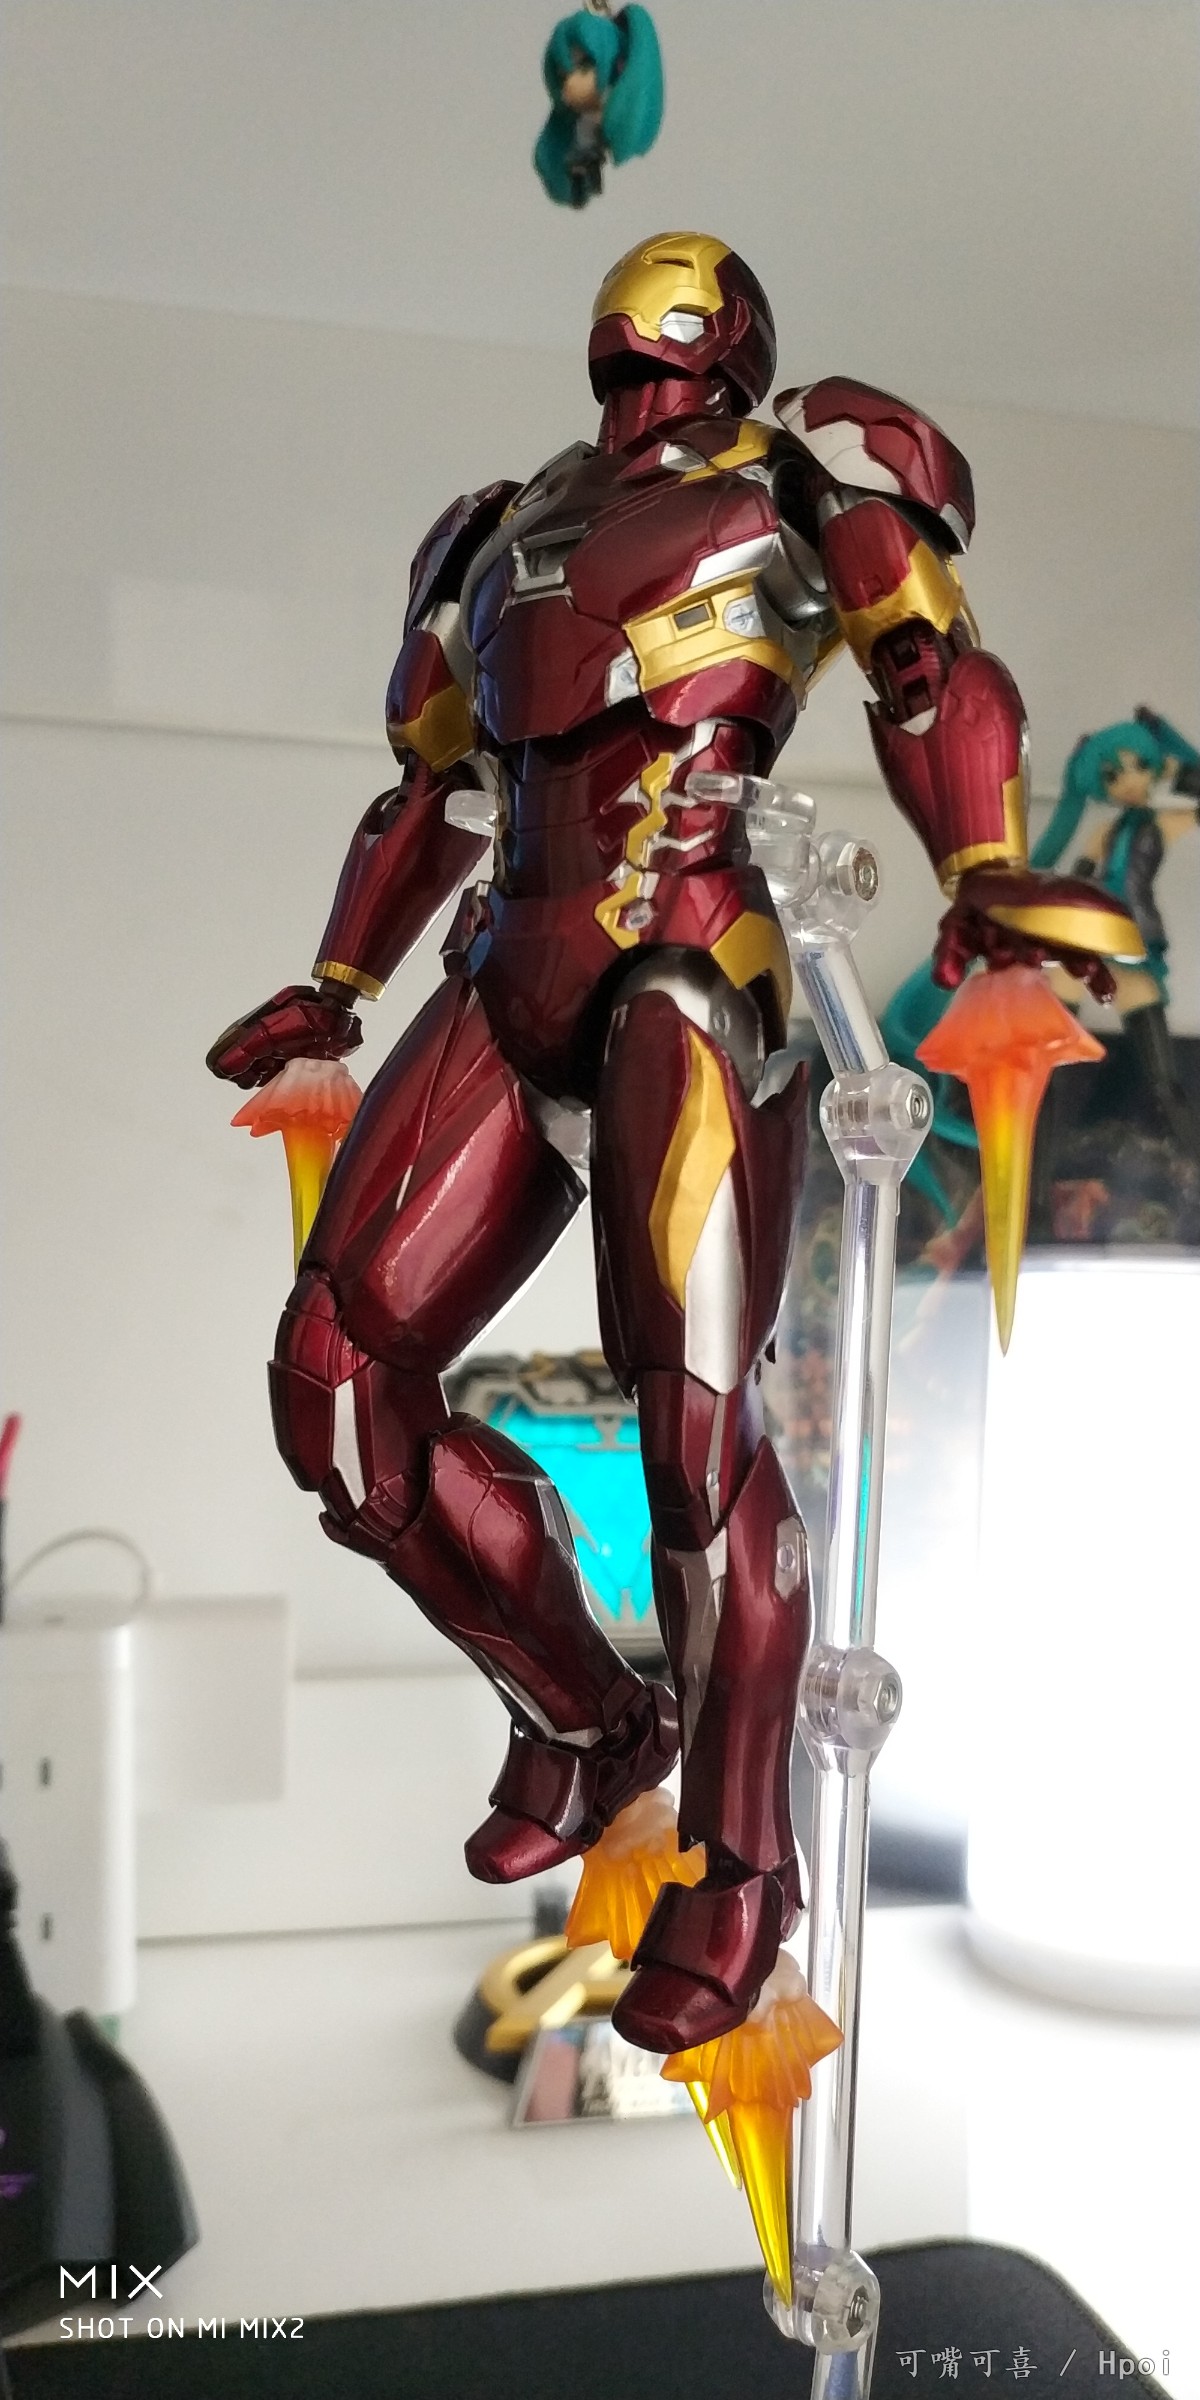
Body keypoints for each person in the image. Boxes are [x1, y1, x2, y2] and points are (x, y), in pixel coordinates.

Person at [207, 233, 1139, 2051]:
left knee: (696, 1445)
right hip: (504, 968)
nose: (646, 324)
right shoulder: (494, 531)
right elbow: (431, 787)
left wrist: (984, 869)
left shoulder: (806, 475)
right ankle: (583, 1715)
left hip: (688, 962)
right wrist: (335, 982)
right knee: (334, 1386)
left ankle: (741, 1868)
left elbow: (929, 674)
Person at [1031, 710, 1200, 1137]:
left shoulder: (1163, 824)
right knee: (1045, 1077)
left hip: (1133, 944)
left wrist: (1177, 765)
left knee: (1164, 1083)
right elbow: (1078, 882)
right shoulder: (1106, 831)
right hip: (1089, 940)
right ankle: (1032, 1173)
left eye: (1139, 765)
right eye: (1112, 775)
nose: (1128, 781)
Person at [534, 5, 663, 208]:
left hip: (598, 140)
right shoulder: (581, 119)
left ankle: (590, 178)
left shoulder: (617, 99)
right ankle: (581, 183)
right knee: (581, 160)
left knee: (590, 159)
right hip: (585, 146)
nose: (571, 84)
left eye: (584, 67)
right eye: (563, 75)